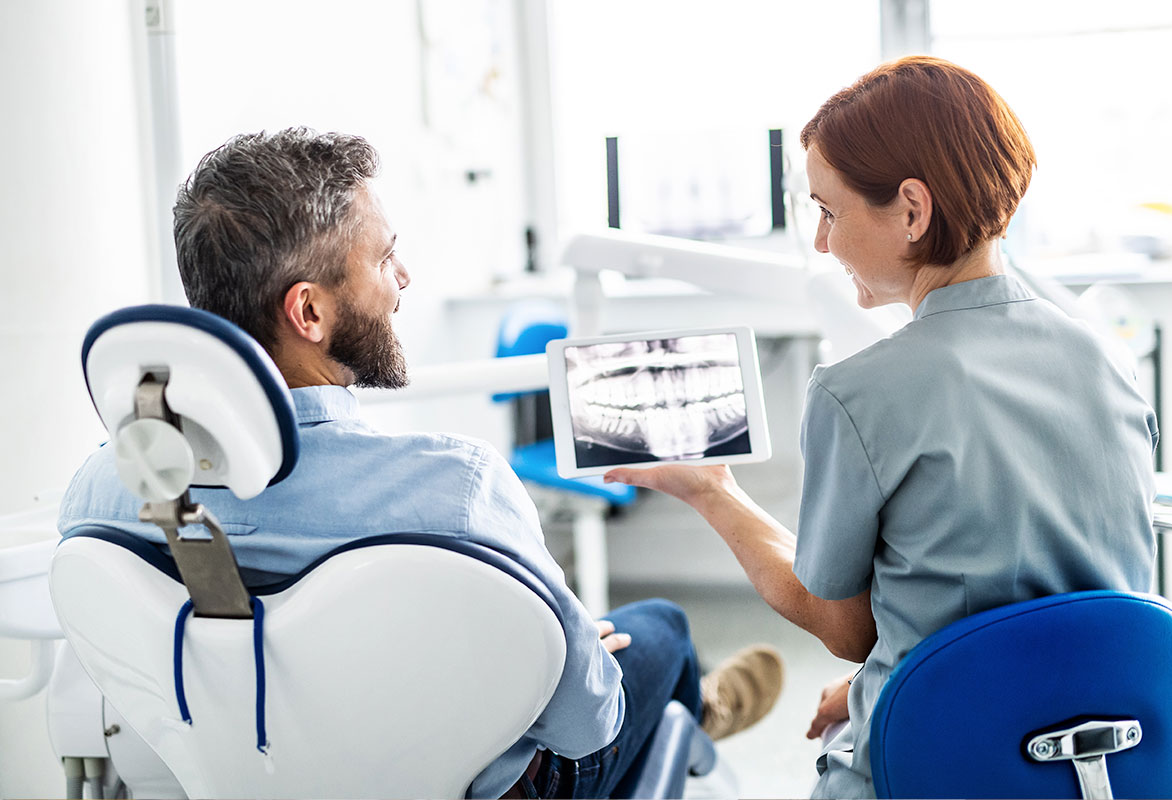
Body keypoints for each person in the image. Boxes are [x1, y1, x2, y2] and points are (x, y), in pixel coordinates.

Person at [57, 127, 784, 799]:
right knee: (659, 632)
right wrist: (569, 654)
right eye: (382, 257)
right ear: (308, 313)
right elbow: (584, 725)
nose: (403, 276)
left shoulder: (100, 495)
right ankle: (699, 715)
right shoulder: (458, 491)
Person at [605, 55, 1158, 798]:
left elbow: (844, 629)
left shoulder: (858, 393)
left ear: (911, 210)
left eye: (828, 212)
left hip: (947, 762)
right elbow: (1041, 599)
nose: (821, 245)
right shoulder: (1108, 360)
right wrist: (884, 683)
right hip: (1102, 759)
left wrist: (713, 492)